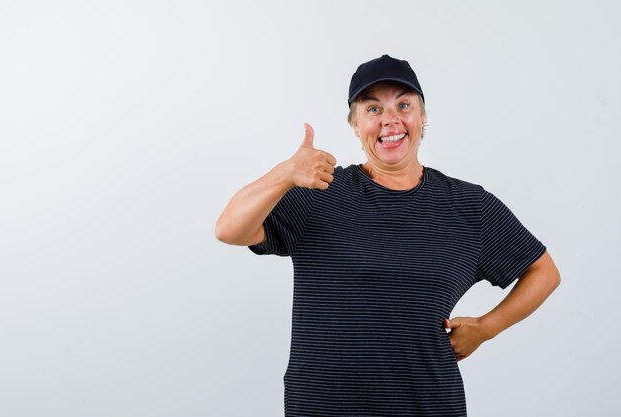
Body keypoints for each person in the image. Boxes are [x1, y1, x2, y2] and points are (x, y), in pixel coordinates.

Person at [215, 54, 561, 417]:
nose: (390, 120)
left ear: (422, 116)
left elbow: (544, 272)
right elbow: (228, 229)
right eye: (373, 108)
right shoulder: (321, 192)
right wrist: (284, 173)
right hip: (323, 407)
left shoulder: (468, 206)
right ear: (355, 124)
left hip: (427, 405)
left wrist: (486, 328)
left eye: (404, 104)